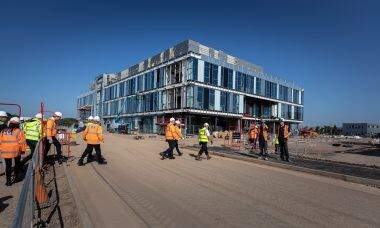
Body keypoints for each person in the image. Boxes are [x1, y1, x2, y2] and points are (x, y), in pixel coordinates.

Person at [0, 117, 26, 186]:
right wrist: (23, 150)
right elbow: (22, 142)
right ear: (18, 124)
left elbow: (0, 141)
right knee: (17, 164)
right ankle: (16, 178)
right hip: (16, 151)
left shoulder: (3, 131)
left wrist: (2, 149)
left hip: (5, 151)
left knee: (8, 166)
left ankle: (8, 181)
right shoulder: (19, 131)